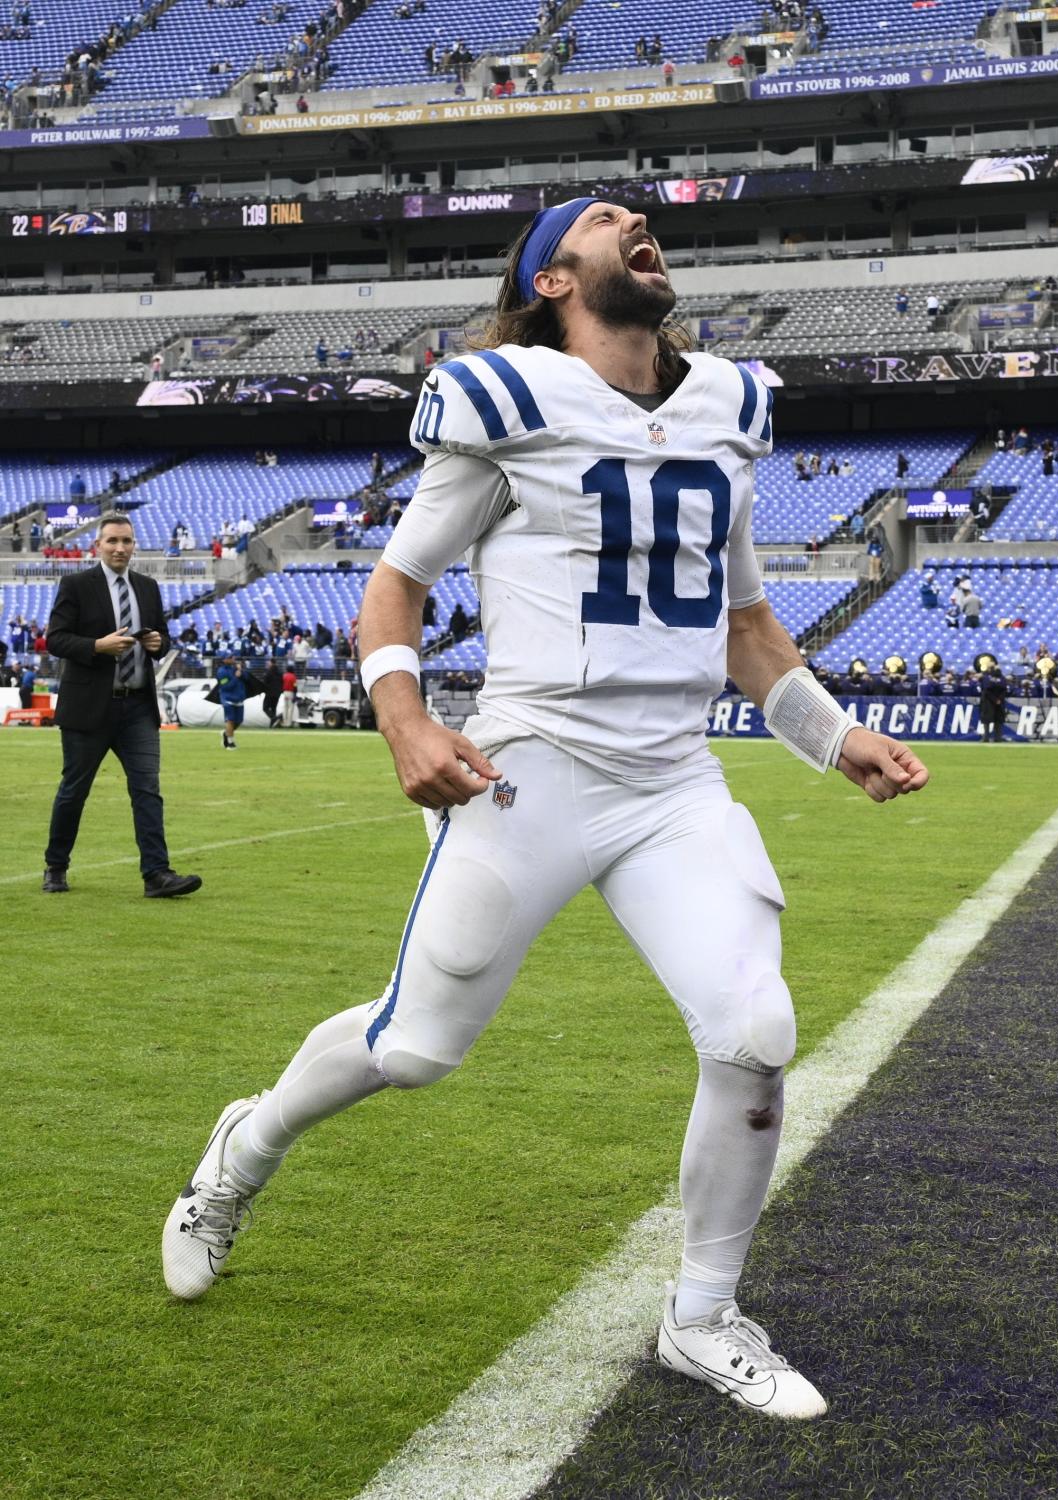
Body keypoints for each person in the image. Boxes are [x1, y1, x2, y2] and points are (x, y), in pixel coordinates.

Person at [159, 195, 930, 1420]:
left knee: (753, 1033)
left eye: (641, 214)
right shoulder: (505, 397)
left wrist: (839, 742)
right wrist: (405, 721)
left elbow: (744, 628)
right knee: (415, 1046)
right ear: (555, 279)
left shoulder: (725, 408)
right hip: (536, 764)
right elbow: (395, 588)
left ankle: (703, 1315)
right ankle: (241, 1150)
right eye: (607, 219)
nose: (639, 223)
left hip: (673, 777)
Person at [41, 513, 201, 898]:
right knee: (73, 790)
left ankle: (156, 874)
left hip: (137, 708)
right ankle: (56, 865)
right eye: (112, 541)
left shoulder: (147, 587)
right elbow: (56, 640)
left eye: (126, 541)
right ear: (98, 545)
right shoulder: (76, 584)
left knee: (147, 789)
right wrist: (97, 646)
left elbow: (162, 637)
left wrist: (157, 644)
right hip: (88, 708)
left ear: (134, 545)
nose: (120, 548)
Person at [215, 652, 247, 749]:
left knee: (239, 721)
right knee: (230, 720)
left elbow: (247, 678)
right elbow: (225, 686)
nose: (233, 658)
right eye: (230, 657)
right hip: (228, 698)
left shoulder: (236, 668)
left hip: (239, 698)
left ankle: (226, 733)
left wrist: (241, 671)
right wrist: (235, 677)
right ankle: (230, 742)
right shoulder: (221, 672)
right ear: (224, 660)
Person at [978, 663, 1006, 742]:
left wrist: (994, 699)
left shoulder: (987, 677)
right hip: (999, 701)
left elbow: (986, 690)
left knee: (986, 719)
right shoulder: (1002, 678)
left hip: (988, 701)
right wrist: (999, 699)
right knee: (998, 720)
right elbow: (1004, 690)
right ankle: (998, 738)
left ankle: (986, 737)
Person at [262, 660, 283, 726]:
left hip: (269, 692)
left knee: (265, 707)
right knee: (274, 708)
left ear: (271, 663)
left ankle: (274, 718)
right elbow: (282, 682)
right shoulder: (280, 673)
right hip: (277, 693)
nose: (268, 664)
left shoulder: (268, 672)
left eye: (269, 663)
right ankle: (272, 724)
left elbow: (265, 682)